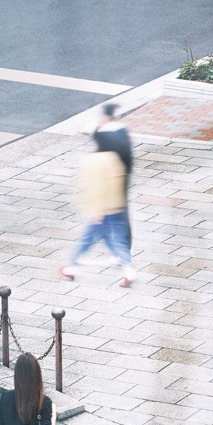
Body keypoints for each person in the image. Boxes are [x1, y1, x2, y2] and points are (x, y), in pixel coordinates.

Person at [59, 128, 138, 287]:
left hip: (100, 210)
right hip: (117, 206)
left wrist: (94, 210)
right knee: (115, 241)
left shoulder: (91, 161)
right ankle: (128, 269)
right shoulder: (113, 158)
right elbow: (118, 181)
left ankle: (72, 267)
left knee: (87, 240)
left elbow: (91, 187)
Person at [94, 103, 134, 250]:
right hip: (122, 177)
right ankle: (122, 246)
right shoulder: (122, 131)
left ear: (105, 117)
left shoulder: (101, 133)